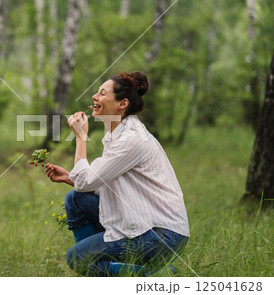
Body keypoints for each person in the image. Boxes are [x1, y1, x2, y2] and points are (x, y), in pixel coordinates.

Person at [44, 72, 189, 277]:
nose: (94, 96)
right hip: (147, 225)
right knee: (75, 200)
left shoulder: (131, 140)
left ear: (122, 104)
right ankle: (100, 265)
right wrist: (71, 177)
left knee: (77, 258)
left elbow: (85, 180)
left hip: (161, 235)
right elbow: (98, 184)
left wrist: (80, 137)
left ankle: (154, 276)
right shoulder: (117, 136)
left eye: (102, 93)